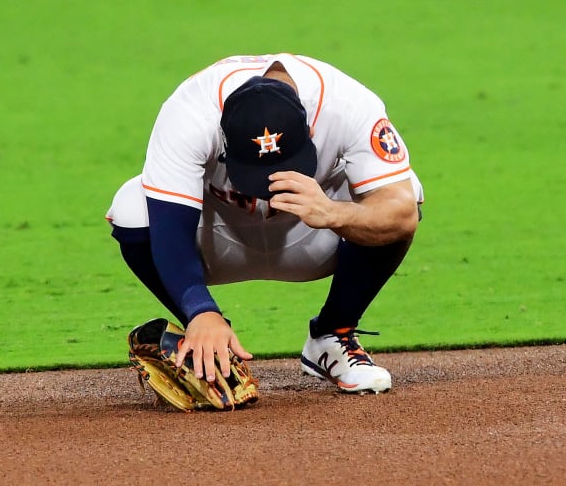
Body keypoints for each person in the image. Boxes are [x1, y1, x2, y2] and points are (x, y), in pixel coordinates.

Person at [106, 53, 424, 393]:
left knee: (401, 197)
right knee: (132, 208)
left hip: (311, 235)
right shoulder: (189, 113)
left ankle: (334, 334)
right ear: (223, 137)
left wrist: (334, 213)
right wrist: (200, 310)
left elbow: (400, 213)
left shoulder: (347, 105)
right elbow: (169, 229)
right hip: (219, 236)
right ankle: (213, 348)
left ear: (310, 128)